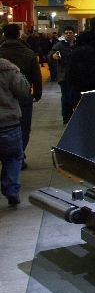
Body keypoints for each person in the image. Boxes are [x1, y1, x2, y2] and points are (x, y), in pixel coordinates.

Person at [0, 24, 42, 169]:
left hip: (3, 96)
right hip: (23, 94)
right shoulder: (29, 53)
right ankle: (19, 156)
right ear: (19, 35)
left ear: (4, 35)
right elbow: (36, 75)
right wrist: (37, 93)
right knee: (24, 127)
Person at [0, 57, 31, 206]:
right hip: (9, 124)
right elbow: (24, 90)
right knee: (12, 158)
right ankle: (11, 190)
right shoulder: (8, 69)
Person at [48, 26, 77, 125]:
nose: (68, 34)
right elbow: (50, 55)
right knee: (66, 99)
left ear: (74, 34)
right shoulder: (59, 45)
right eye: (66, 33)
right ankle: (67, 119)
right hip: (64, 76)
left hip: (77, 76)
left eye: (70, 32)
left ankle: (75, 118)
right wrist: (53, 56)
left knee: (75, 98)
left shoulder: (78, 44)